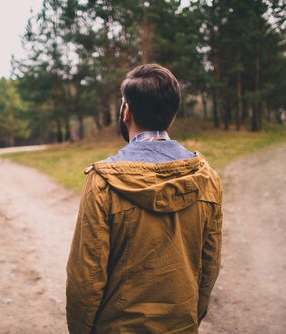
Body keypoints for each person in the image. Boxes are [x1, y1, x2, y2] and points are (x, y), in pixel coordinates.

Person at [66, 64, 223, 333]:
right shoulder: (207, 179)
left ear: (126, 112)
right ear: (171, 115)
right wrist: (191, 318)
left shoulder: (103, 182)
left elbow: (86, 277)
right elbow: (209, 264)